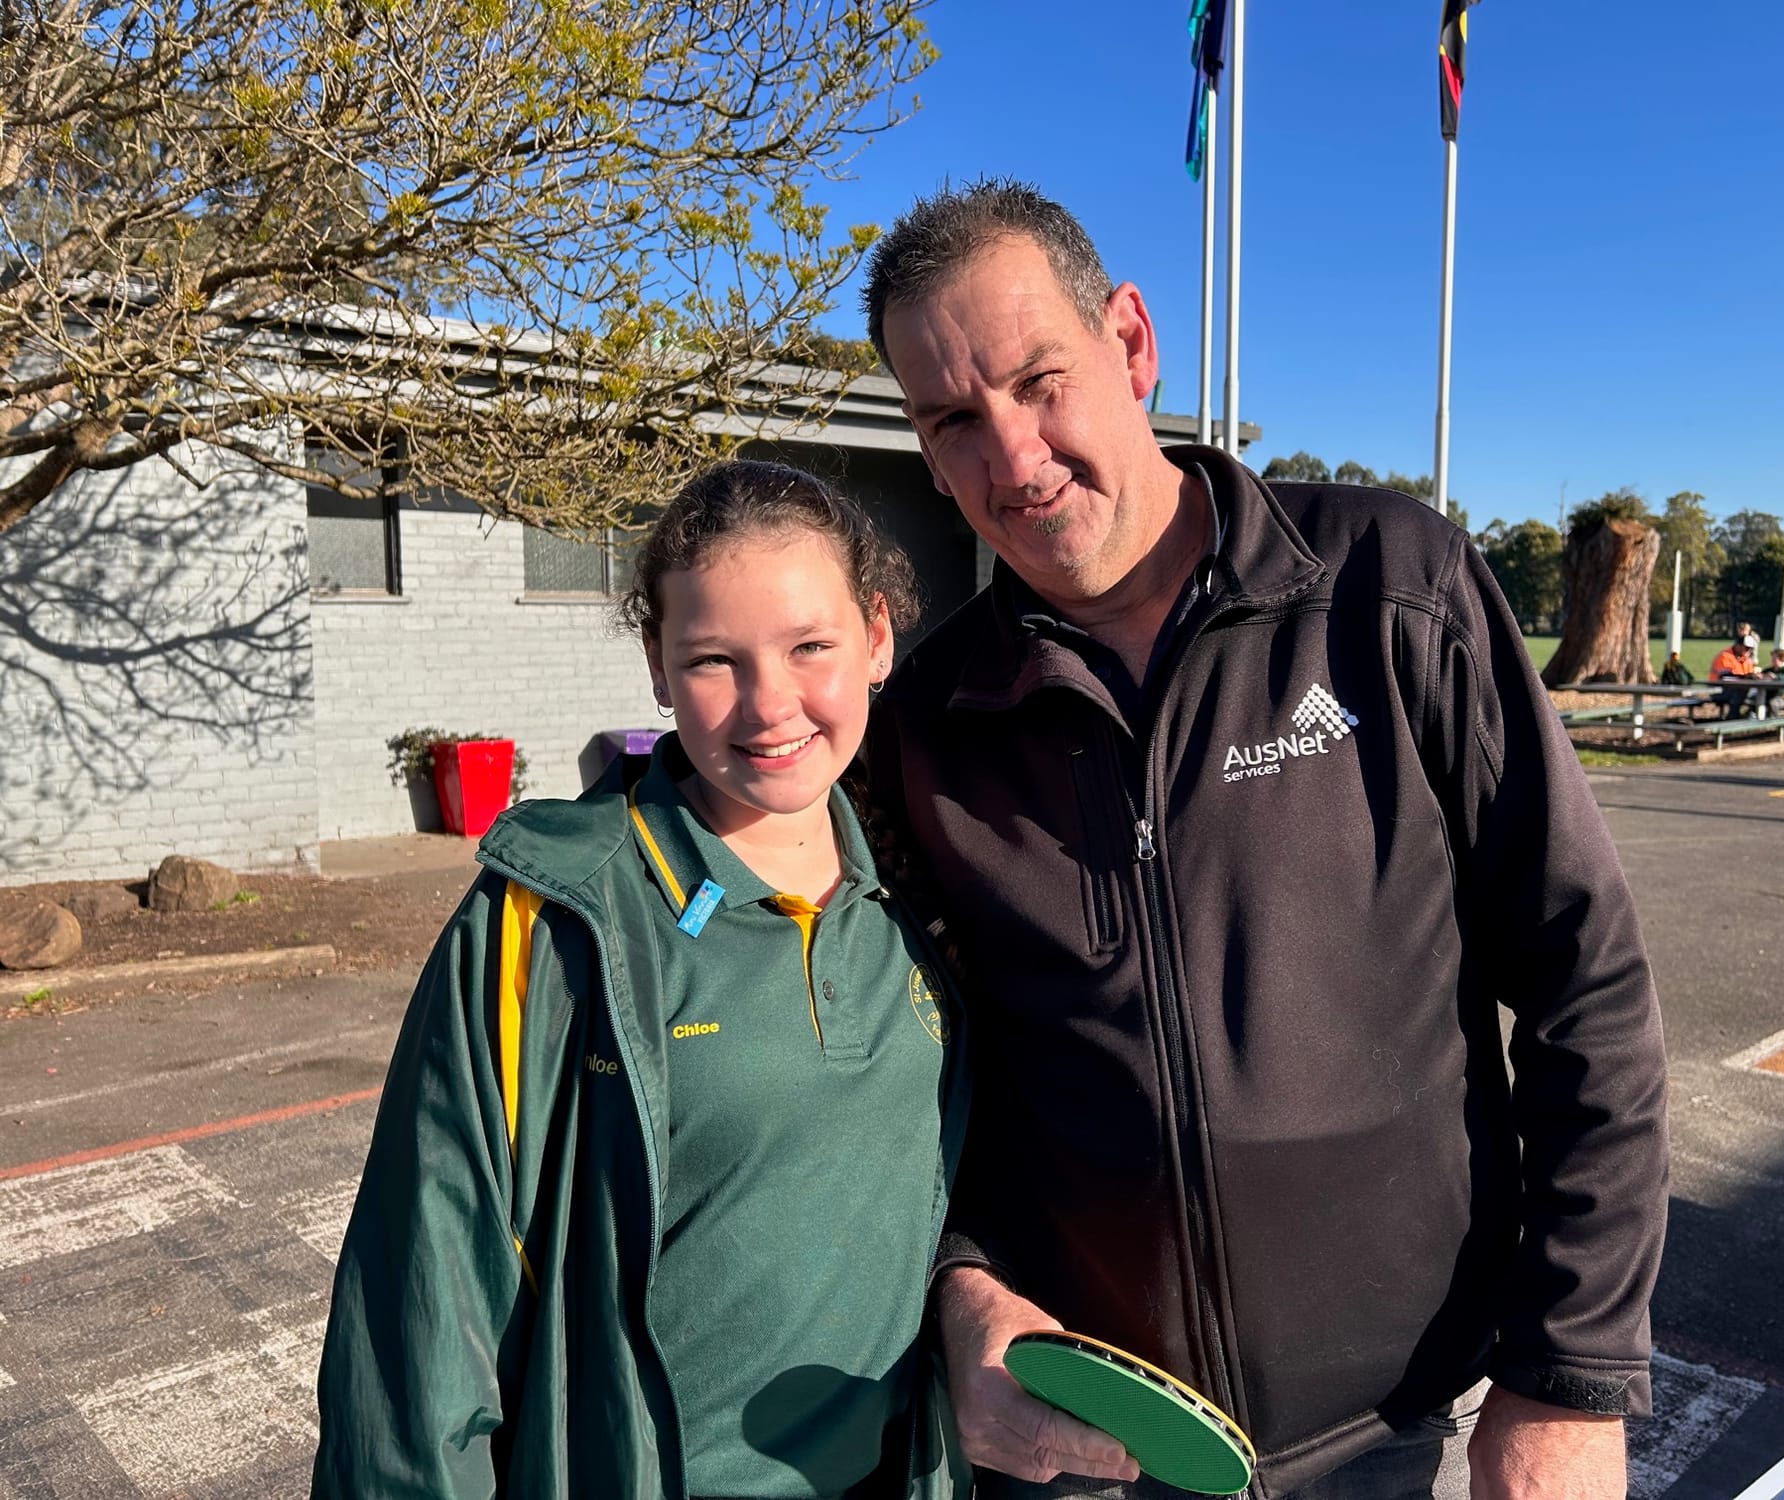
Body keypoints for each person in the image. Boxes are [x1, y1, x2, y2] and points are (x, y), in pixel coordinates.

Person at [861, 180, 1668, 1500]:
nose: (1011, 458)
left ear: (1131, 342)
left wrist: (1570, 1374)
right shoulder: (924, 726)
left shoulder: (1392, 593)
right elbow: (896, 1083)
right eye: (953, 420)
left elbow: (1587, 984)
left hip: (1392, 1428)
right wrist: (959, 1286)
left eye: (1038, 382)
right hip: (1082, 1440)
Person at [313, 461, 970, 1499]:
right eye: (712, 660)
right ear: (659, 670)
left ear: (877, 638)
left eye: (810, 646)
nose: (769, 705)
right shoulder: (549, 921)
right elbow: (421, 1316)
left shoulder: (928, 895)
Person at [1709, 635, 1760, 718]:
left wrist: (1754, 676)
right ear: (1738, 645)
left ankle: (1752, 716)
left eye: (1750, 648)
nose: (1748, 650)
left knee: (1761, 693)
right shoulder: (1725, 656)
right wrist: (1746, 677)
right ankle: (1733, 717)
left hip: (1740, 689)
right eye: (1746, 648)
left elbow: (1748, 675)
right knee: (1739, 694)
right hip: (1720, 689)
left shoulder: (1745, 659)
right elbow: (1725, 677)